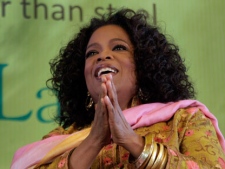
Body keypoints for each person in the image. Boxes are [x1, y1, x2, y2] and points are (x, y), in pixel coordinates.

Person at [11, 8, 225, 169]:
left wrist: (133, 142)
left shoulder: (184, 120)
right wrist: (93, 140)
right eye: (91, 53)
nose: (102, 56)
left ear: (144, 64)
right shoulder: (61, 138)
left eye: (119, 47)